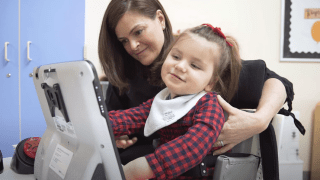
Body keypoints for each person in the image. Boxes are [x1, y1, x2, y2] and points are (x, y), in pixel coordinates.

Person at [98, 0, 294, 165]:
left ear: (160, 19)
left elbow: (279, 82)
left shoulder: (201, 56)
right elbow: (114, 120)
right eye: (123, 40)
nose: (132, 45)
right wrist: (113, 137)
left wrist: (259, 121)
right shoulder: (125, 77)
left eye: (138, 32)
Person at [108, 24, 242, 179]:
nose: (180, 66)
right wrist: (99, 124)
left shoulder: (209, 105)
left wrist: (148, 166)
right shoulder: (164, 98)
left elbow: (193, 146)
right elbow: (131, 117)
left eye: (194, 65)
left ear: (211, 82)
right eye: (176, 57)